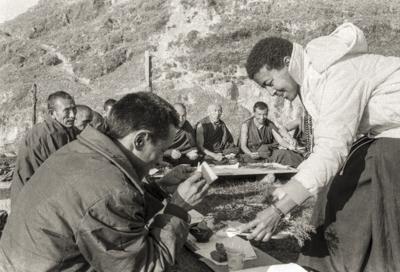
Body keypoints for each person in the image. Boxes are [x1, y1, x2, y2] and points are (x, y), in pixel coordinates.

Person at [240, 23, 400, 271]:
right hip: (385, 135)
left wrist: (279, 210)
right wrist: (290, 189)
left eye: (270, 82)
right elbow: (324, 148)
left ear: (286, 62)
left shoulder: (336, 75)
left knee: (370, 173)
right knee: (336, 186)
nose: (272, 93)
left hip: (391, 140)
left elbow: (331, 150)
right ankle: (328, 263)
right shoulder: (314, 80)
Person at [0, 92, 210, 271]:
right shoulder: (110, 188)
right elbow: (144, 266)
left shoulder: (82, 150)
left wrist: (160, 187)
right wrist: (178, 208)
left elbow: (115, 216)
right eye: (162, 150)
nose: (160, 159)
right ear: (140, 140)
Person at [10, 91, 78, 203]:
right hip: (30, 198)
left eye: (74, 109)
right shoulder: (43, 134)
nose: (73, 115)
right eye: (66, 111)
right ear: (52, 113)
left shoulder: (68, 130)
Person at [239, 101, 303, 167]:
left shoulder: (270, 124)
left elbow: (280, 140)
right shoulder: (246, 125)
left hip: (266, 154)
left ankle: (303, 164)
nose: (262, 117)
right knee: (244, 160)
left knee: (284, 153)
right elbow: (243, 146)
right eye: (259, 114)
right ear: (254, 113)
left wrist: (289, 146)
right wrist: (250, 154)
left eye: (265, 114)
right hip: (251, 154)